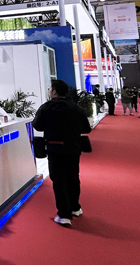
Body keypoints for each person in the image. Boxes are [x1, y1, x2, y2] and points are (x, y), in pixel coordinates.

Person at [33, 79, 92, 227]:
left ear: (54, 92)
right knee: (73, 177)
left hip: (54, 149)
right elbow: (86, 128)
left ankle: (64, 215)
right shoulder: (75, 108)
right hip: (73, 148)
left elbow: (37, 126)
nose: (49, 90)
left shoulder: (46, 107)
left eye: (50, 88)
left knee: (59, 180)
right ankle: (75, 208)